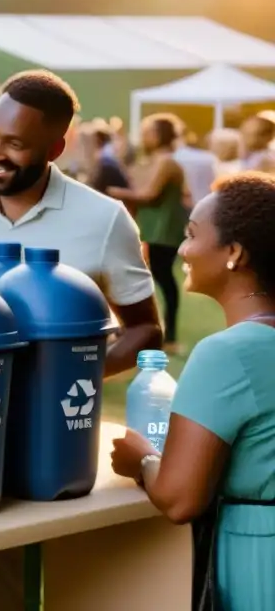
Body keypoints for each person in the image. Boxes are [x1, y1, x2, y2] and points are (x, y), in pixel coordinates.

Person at [0, 70, 163, 611]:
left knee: (60, 586)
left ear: (55, 148)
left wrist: (68, 375)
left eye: (16, 144)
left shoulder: (103, 219)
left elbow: (147, 329)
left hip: (56, 441)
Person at [111, 172, 275, 611]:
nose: (182, 249)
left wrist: (141, 460)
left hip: (260, 556)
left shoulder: (227, 353)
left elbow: (180, 497)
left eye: (191, 235)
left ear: (234, 253)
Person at [108, 114, 188, 351]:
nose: (143, 137)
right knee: (152, 280)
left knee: (163, 280)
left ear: (161, 135)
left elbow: (148, 194)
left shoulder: (167, 162)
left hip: (165, 231)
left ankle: (169, 336)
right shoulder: (151, 160)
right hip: (151, 230)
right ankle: (151, 331)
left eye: (148, 132)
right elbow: (132, 180)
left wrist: (111, 191)